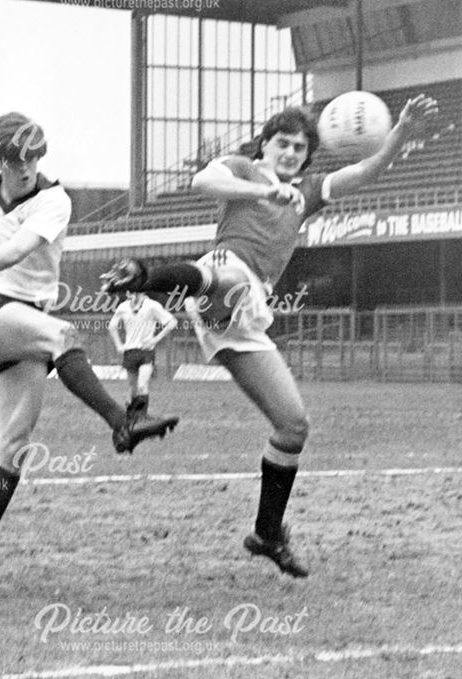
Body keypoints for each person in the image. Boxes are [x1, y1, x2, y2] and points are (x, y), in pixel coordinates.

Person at [101, 94, 439, 578]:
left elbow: (367, 171)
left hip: (248, 313)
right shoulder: (245, 169)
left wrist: (401, 131)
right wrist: (262, 191)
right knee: (225, 276)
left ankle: (267, 533)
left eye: (300, 148)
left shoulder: (307, 191)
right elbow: (204, 179)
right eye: (283, 143)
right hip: (222, 278)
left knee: (293, 426)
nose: (291, 153)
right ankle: (142, 275)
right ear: (264, 145)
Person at [0, 113, 178, 598]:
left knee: (13, 447)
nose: (27, 167)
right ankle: (121, 424)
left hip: (27, 322)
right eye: (16, 160)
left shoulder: (55, 200)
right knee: (62, 335)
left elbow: (16, 251)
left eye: (35, 156)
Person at [106, 291, 178, 419]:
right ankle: (133, 415)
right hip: (130, 352)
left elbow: (172, 322)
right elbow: (112, 326)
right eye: (127, 289)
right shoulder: (123, 307)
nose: (128, 292)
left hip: (146, 352)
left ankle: (142, 416)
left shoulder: (151, 306)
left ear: (141, 291)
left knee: (142, 385)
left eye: (132, 289)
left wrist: (155, 339)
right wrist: (118, 345)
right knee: (132, 388)